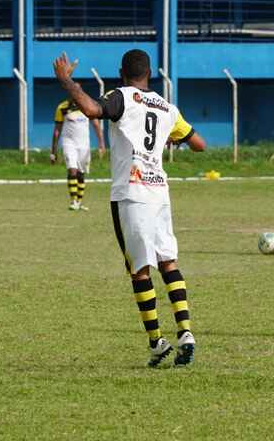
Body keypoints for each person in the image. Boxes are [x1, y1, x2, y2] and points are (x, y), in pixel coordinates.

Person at [53, 49, 206, 367]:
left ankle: (157, 342)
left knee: (139, 271)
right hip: (160, 192)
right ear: (149, 73)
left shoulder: (121, 96)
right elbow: (199, 143)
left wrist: (66, 80)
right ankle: (186, 332)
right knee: (169, 263)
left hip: (131, 193)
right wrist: (171, 139)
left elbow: (93, 109)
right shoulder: (167, 107)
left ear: (122, 72)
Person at [50, 97, 105, 211]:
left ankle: (79, 202)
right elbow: (57, 131)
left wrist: (101, 143)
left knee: (81, 173)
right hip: (69, 143)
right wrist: (53, 151)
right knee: (72, 169)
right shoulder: (62, 108)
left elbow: (96, 125)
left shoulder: (87, 106)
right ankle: (73, 201)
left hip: (84, 145)